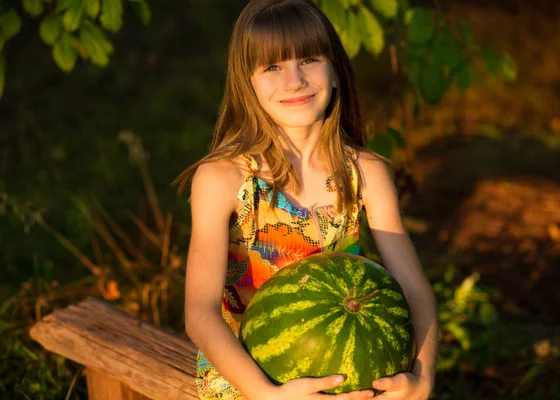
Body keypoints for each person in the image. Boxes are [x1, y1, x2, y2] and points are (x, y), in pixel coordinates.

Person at [177, 0, 438, 399]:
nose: (294, 81)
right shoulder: (224, 178)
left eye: (309, 60)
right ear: (247, 82)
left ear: (335, 71)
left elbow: (414, 289)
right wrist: (268, 394)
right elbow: (200, 313)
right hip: (246, 375)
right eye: (272, 67)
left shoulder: (366, 173)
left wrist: (422, 379)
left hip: (349, 369)